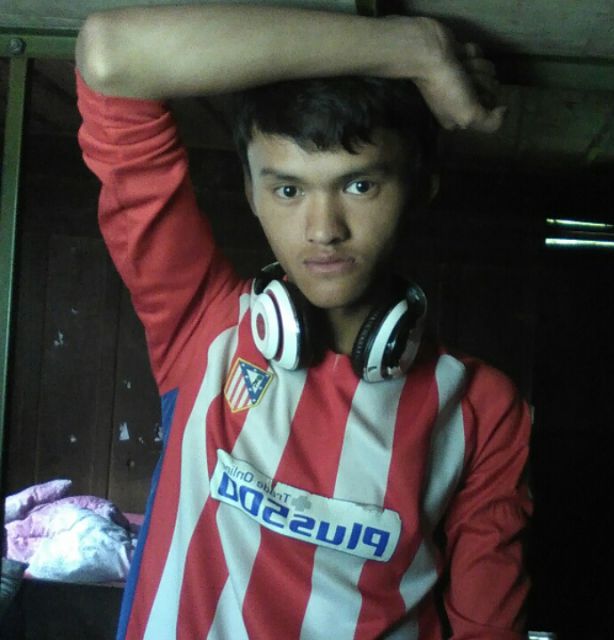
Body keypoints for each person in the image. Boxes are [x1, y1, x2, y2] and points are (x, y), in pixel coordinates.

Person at [75, 4, 531, 639]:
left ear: (420, 185)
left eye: (359, 186)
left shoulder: (481, 408)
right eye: (288, 190)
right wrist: (418, 50)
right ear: (251, 192)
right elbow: (108, 53)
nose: (323, 230)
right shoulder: (202, 324)